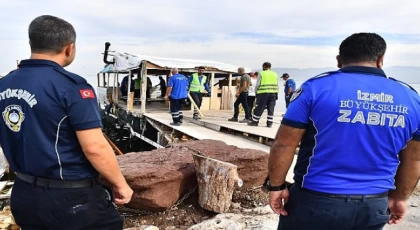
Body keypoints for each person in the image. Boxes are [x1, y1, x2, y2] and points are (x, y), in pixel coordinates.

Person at [267, 32, 420, 230]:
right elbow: (414, 158)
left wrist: (276, 187)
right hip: (374, 206)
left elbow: (284, 143)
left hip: (315, 201)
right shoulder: (410, 98)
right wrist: (400, 197)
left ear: (339, 61)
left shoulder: (316, 88)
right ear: (381, 60)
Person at [0, 15, 133, 229]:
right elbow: (95, 148)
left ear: (31, 43)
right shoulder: (72, 88)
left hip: (23, 194)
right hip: (71, 200)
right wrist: (120, 184)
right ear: (69, 48)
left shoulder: (4, 84)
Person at [248, 62, 278, 128]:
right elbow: (277, 84)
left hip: (263, 93)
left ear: (264, 66)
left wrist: (256, 93)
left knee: (259, 108)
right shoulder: (275, 74)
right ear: (270, 67)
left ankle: (255, 122)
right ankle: (269, 123)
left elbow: (258, 84)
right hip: (273, 94)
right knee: (271, 108)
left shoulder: (261, 73)